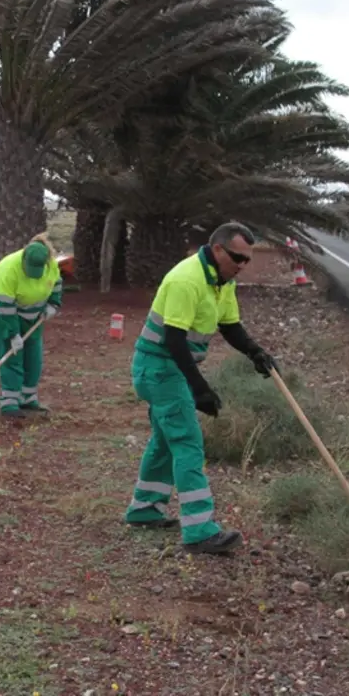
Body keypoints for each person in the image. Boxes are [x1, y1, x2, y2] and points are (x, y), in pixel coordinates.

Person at [122, 222, 280, 555]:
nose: (242, 265)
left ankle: (144, 509)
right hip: (159, 369)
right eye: (237, 257)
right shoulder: (187, 280)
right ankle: (199, 531)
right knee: (187, 442)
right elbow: (174, 340)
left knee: (166, 441)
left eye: (247, 260)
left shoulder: (222, 280)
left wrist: (255, 352)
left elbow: (230, 325)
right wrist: (199, 389)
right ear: (218, 249)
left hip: (167, 368)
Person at [0, 233, 63, 419]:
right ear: (23, 259)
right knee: (12, 356)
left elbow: (56, 284)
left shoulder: (51, 265)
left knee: (33, 356)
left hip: (34, 316)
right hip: (6, 315)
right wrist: (13, 334)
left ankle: (28, 398)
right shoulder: (7, 270)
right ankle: (9, 402)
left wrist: (53, 304)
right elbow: (5, 308)